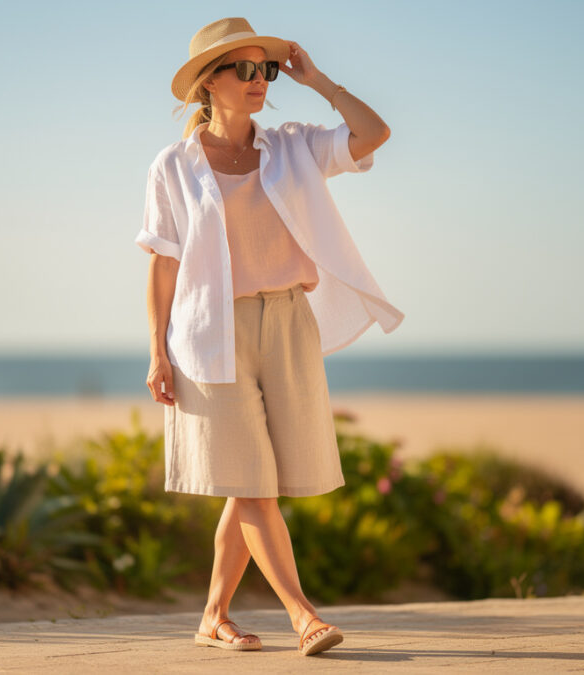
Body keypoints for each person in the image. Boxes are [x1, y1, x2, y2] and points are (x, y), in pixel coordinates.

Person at [135, 17, 403, 657]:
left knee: (250, 482)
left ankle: (212, 617)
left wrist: (320, 82)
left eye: (267, 69)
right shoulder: (172, 166)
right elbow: (162, 260)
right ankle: (303, 614)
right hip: (208, 333)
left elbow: (374, 133)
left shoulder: (292, 147)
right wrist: (156, 350)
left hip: (287, 323)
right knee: (254, 486)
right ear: (208, 82)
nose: (260, 80)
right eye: (244, 69)